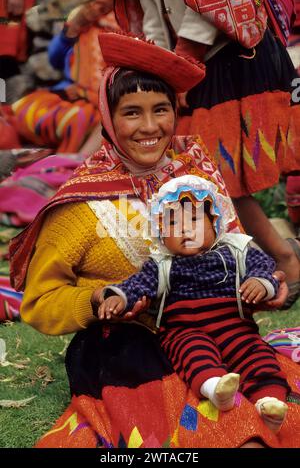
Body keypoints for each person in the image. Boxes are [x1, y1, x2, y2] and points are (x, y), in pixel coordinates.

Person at [9, 32, 300, 448]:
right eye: (131, 112)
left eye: (160, 109)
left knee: (262, 404)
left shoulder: (195, 173)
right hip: (127, 346)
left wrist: (260, 289)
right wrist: (98, 300)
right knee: (216, 429)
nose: (150, 127)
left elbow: (233, 253)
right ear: (108, 118)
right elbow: (40, 302)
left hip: (216, 330)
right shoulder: (80, 204)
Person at [113, 0, 300, 309]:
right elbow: (153, 19)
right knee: (205, 174)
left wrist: (185, 62)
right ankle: (265, 258)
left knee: (220, 176)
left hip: (231, 57)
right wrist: (164, 72)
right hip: (194, 65)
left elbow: (212, 9)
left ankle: (284, 258)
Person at [99, 175, 289, 434]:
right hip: (185, 329)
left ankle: (270, 402)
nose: (186, 230)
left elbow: (264, 266)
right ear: (161, 234)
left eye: (195, 220)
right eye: (173, 223)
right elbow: (138, 284)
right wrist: (118, 297)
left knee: (256, 353)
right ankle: (215, 388)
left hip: (233, 325)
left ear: (215, 223)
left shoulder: (234, 251)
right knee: (192, 352)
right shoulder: (163, 264)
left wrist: (260, 282)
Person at [12, 0, 117, 154]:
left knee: (77, 120)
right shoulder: (80, 15)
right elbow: (54, 60)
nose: (98, 5)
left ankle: (66, 167)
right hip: (67, 93)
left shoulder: (126, 21)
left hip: (102, 102)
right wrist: (74, 27)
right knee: (19, 109)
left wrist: (89, 94)